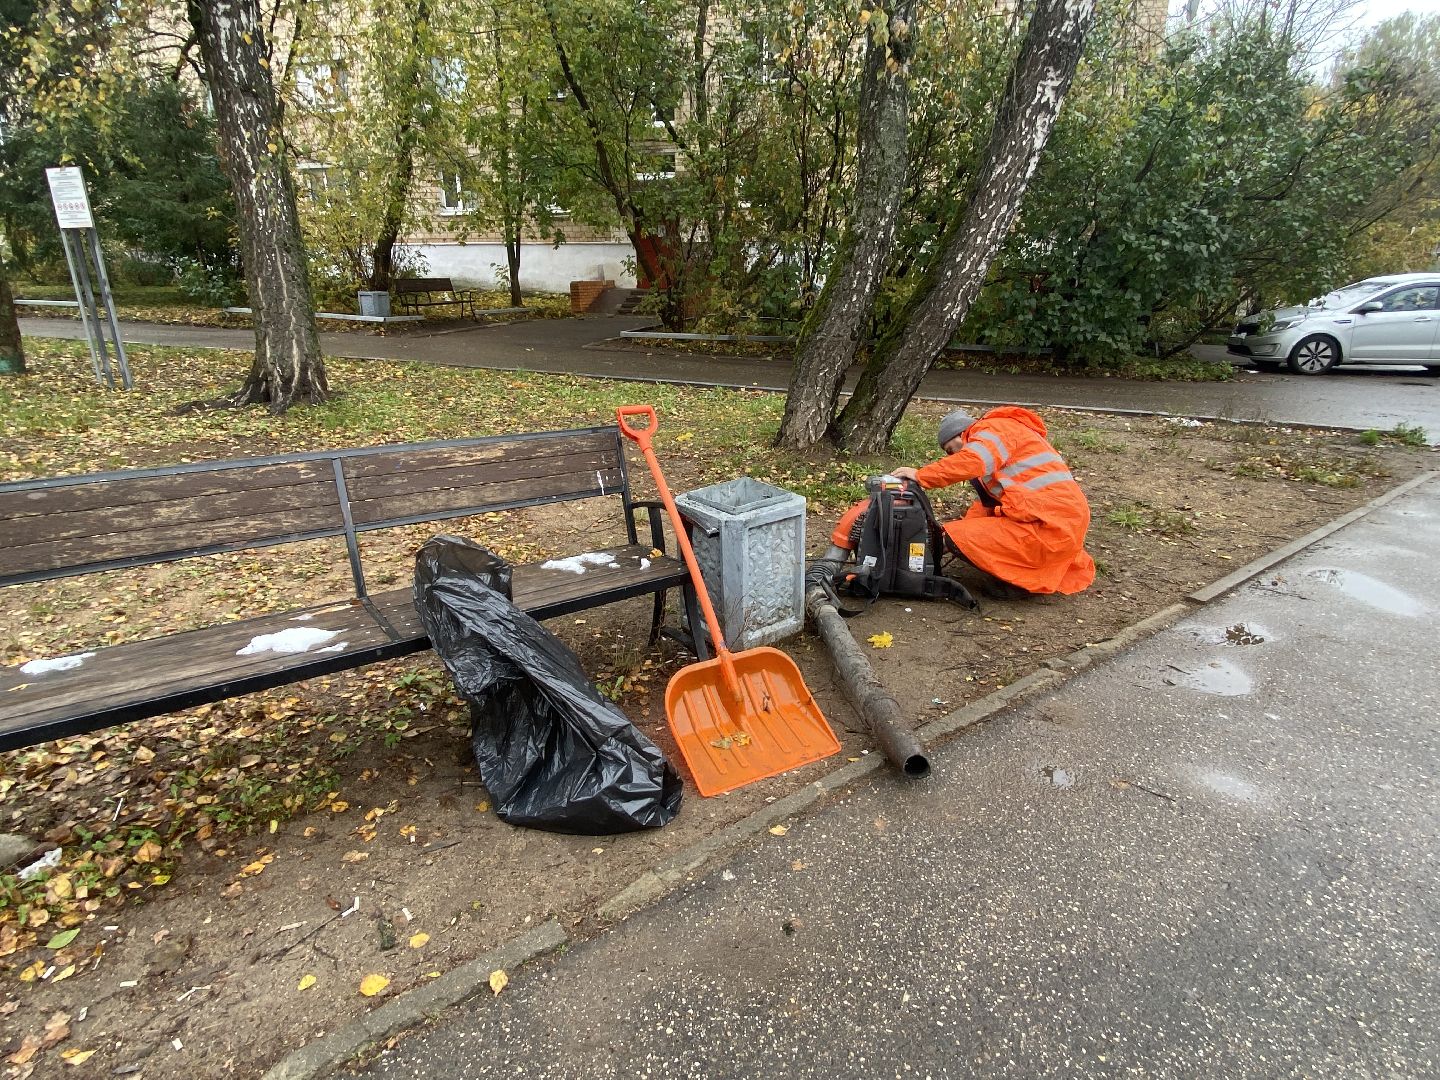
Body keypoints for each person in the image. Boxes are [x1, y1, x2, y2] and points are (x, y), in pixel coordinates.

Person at [828, 406, 1096, 598]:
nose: (952, 455)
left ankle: (1017, 586)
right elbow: (986, 509)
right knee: (960, 534)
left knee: (957, 536)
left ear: (959, 436)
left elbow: (971, 461)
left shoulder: (992, 431)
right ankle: (1018, 578)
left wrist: (922, 476)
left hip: (1049, 524)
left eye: (950, 450)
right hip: (1059, 520)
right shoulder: (1007, 438)